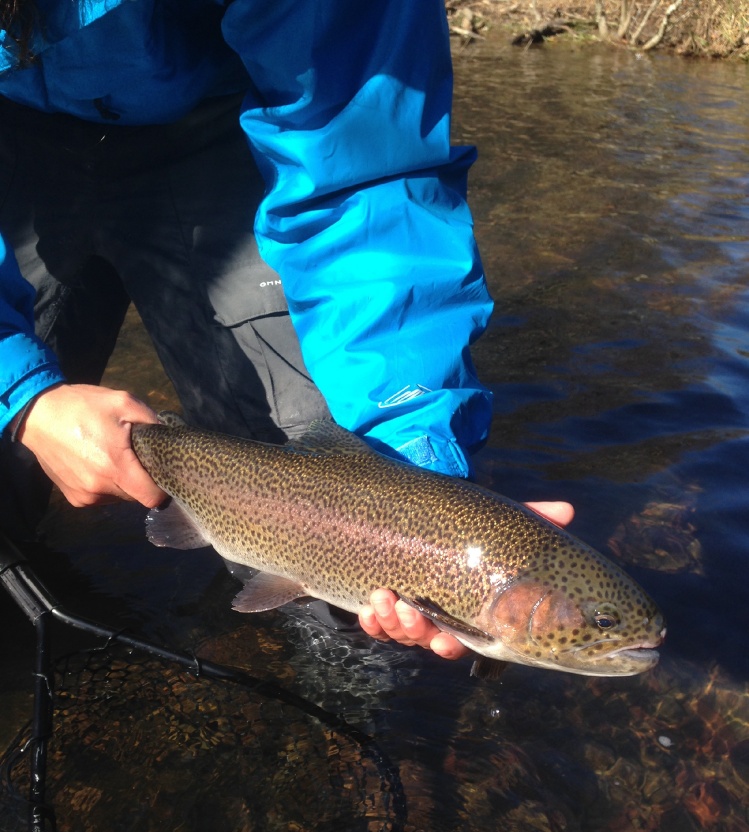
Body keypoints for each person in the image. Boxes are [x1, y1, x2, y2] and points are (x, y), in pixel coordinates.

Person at [0, 0, 573, 659]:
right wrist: (21, 396)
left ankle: (344, 701)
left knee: (320, 493)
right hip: (9, 134)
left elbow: (364, 161)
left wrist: (412, 459)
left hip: (228, 115)